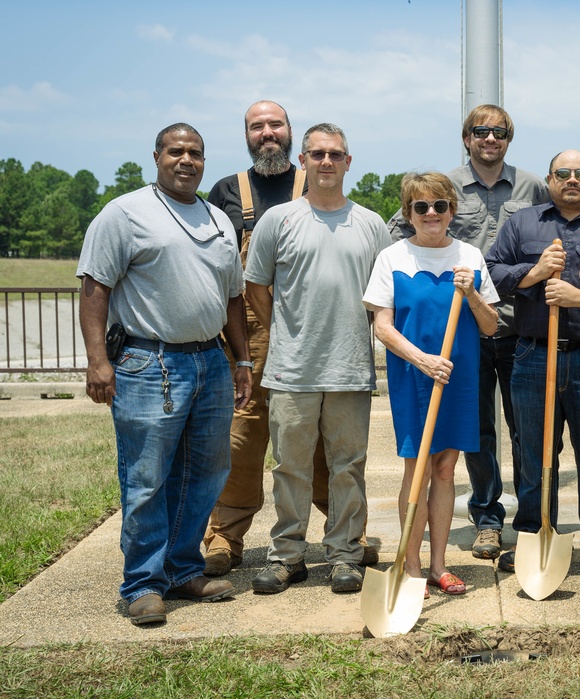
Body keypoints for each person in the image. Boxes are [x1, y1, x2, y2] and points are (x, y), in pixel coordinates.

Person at [78, 123, 251, 626]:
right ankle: (143, 584)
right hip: (146, 362)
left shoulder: (218, 218)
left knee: (206, 473)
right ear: (156, 156)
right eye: (176, 151)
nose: (186, 160)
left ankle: (182, 570)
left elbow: (234, 298)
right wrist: (97, 361)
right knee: (148, 478)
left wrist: (240, 360)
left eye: (195, 153)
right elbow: (95, 288)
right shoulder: (125, 213)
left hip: (210, 362)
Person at [203, 100, 377, 577]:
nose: (267, 133)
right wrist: (254, 340)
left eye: (275, 124)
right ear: (247, 136)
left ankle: (344, 541)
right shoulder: (227, 191)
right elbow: (238, 280)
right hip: (260, 334)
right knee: (246, 442)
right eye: (256, 126)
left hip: (332, 341)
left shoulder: (359, 215)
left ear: (290, 133)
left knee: (332, 452)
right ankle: (227, 536)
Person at [387, 105, 548, 561]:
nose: (490, 139)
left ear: (508, 138)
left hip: (517, 324)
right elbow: (403, 233)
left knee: (525, 432)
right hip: (462, 334)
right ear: (467, 137)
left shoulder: (531, 185)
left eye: (498, 132)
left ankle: (532, 520)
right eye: (481, 131)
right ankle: (487, 518)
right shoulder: (446, 186)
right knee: (476, 434)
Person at [244, 123, 391, 595]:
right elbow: (256, 287)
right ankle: (287, 556)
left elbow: (385, 293)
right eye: (317, 154)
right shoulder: (278, 220)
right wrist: (287, 333)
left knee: (348, 466)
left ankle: (346, 555)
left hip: (349, 368)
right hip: (292, 369)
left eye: (335, 155)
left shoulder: (371, 224)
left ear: (349, 163)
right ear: (302, 161)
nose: (326, 162)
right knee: (290, 466)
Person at [364, 172, 499, 595]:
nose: (431, 214)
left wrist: (472, 292)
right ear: (408, 213)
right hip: (414, 376)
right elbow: (382, 326)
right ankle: (412, 566)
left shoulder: (470, 256)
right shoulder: (393, 257)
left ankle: (440, 564)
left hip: (458, 378)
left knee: (445, 468)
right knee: (417, 468)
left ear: (451, 211)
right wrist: (421, 360)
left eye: (440, 205)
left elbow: (492, 326)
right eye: (421, 207)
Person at [486, 150, 580, 572]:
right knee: (534, 454)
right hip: (531, 354)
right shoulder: (522, 223)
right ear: (549, 179)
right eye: (564, 173)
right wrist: (535, 271)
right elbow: (489, 272)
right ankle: (533, 534)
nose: (573, 180)